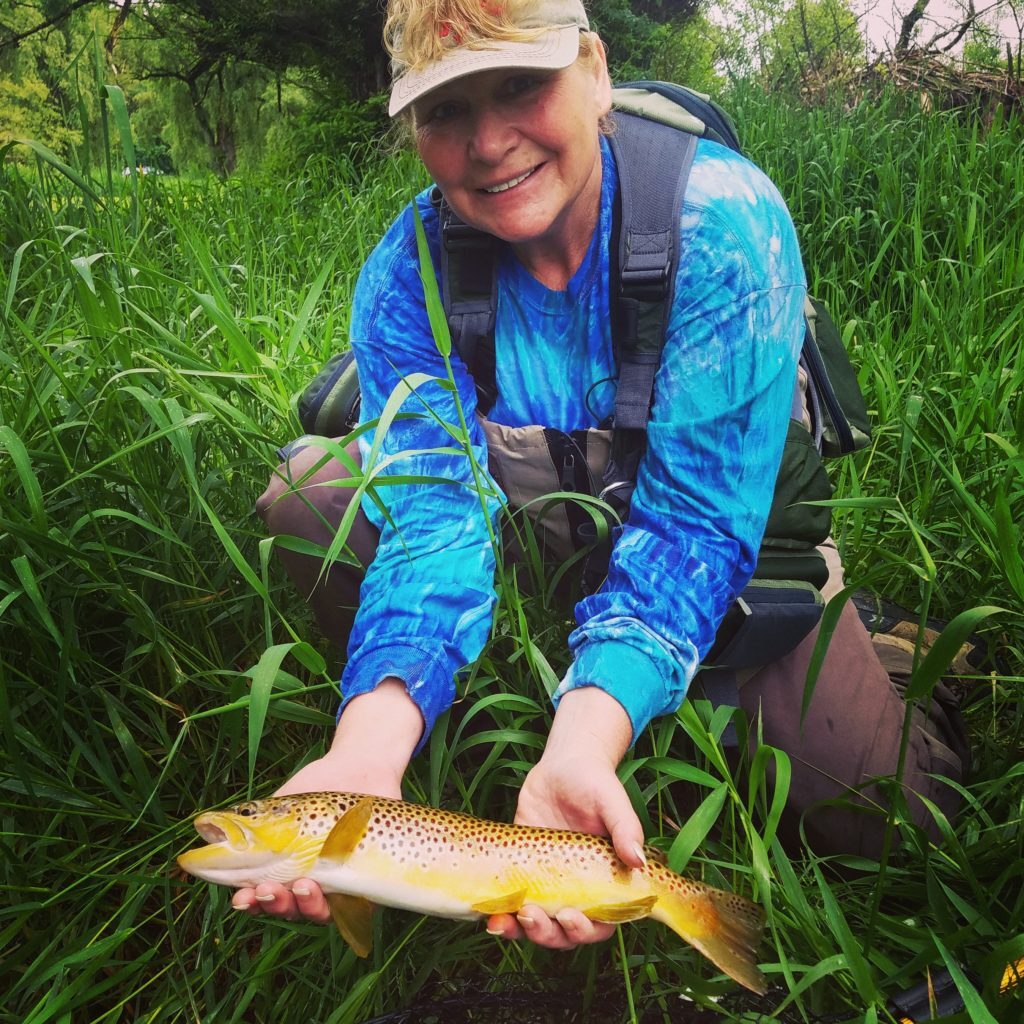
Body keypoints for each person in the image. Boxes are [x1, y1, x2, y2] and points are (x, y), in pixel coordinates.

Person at [238, 0, 967, 949]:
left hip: (717, 541)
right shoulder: (406, 272)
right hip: (538, 523)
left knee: (902, 835)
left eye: (519, 87)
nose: (488, 142)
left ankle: (890, 652)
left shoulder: (722, 222)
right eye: (445, 111)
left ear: (594, 70)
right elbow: (433, 522)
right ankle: (431, 730)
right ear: (413, 126)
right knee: (312, 494)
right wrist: (362, 757)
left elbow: (696, 530)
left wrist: (583, 738)